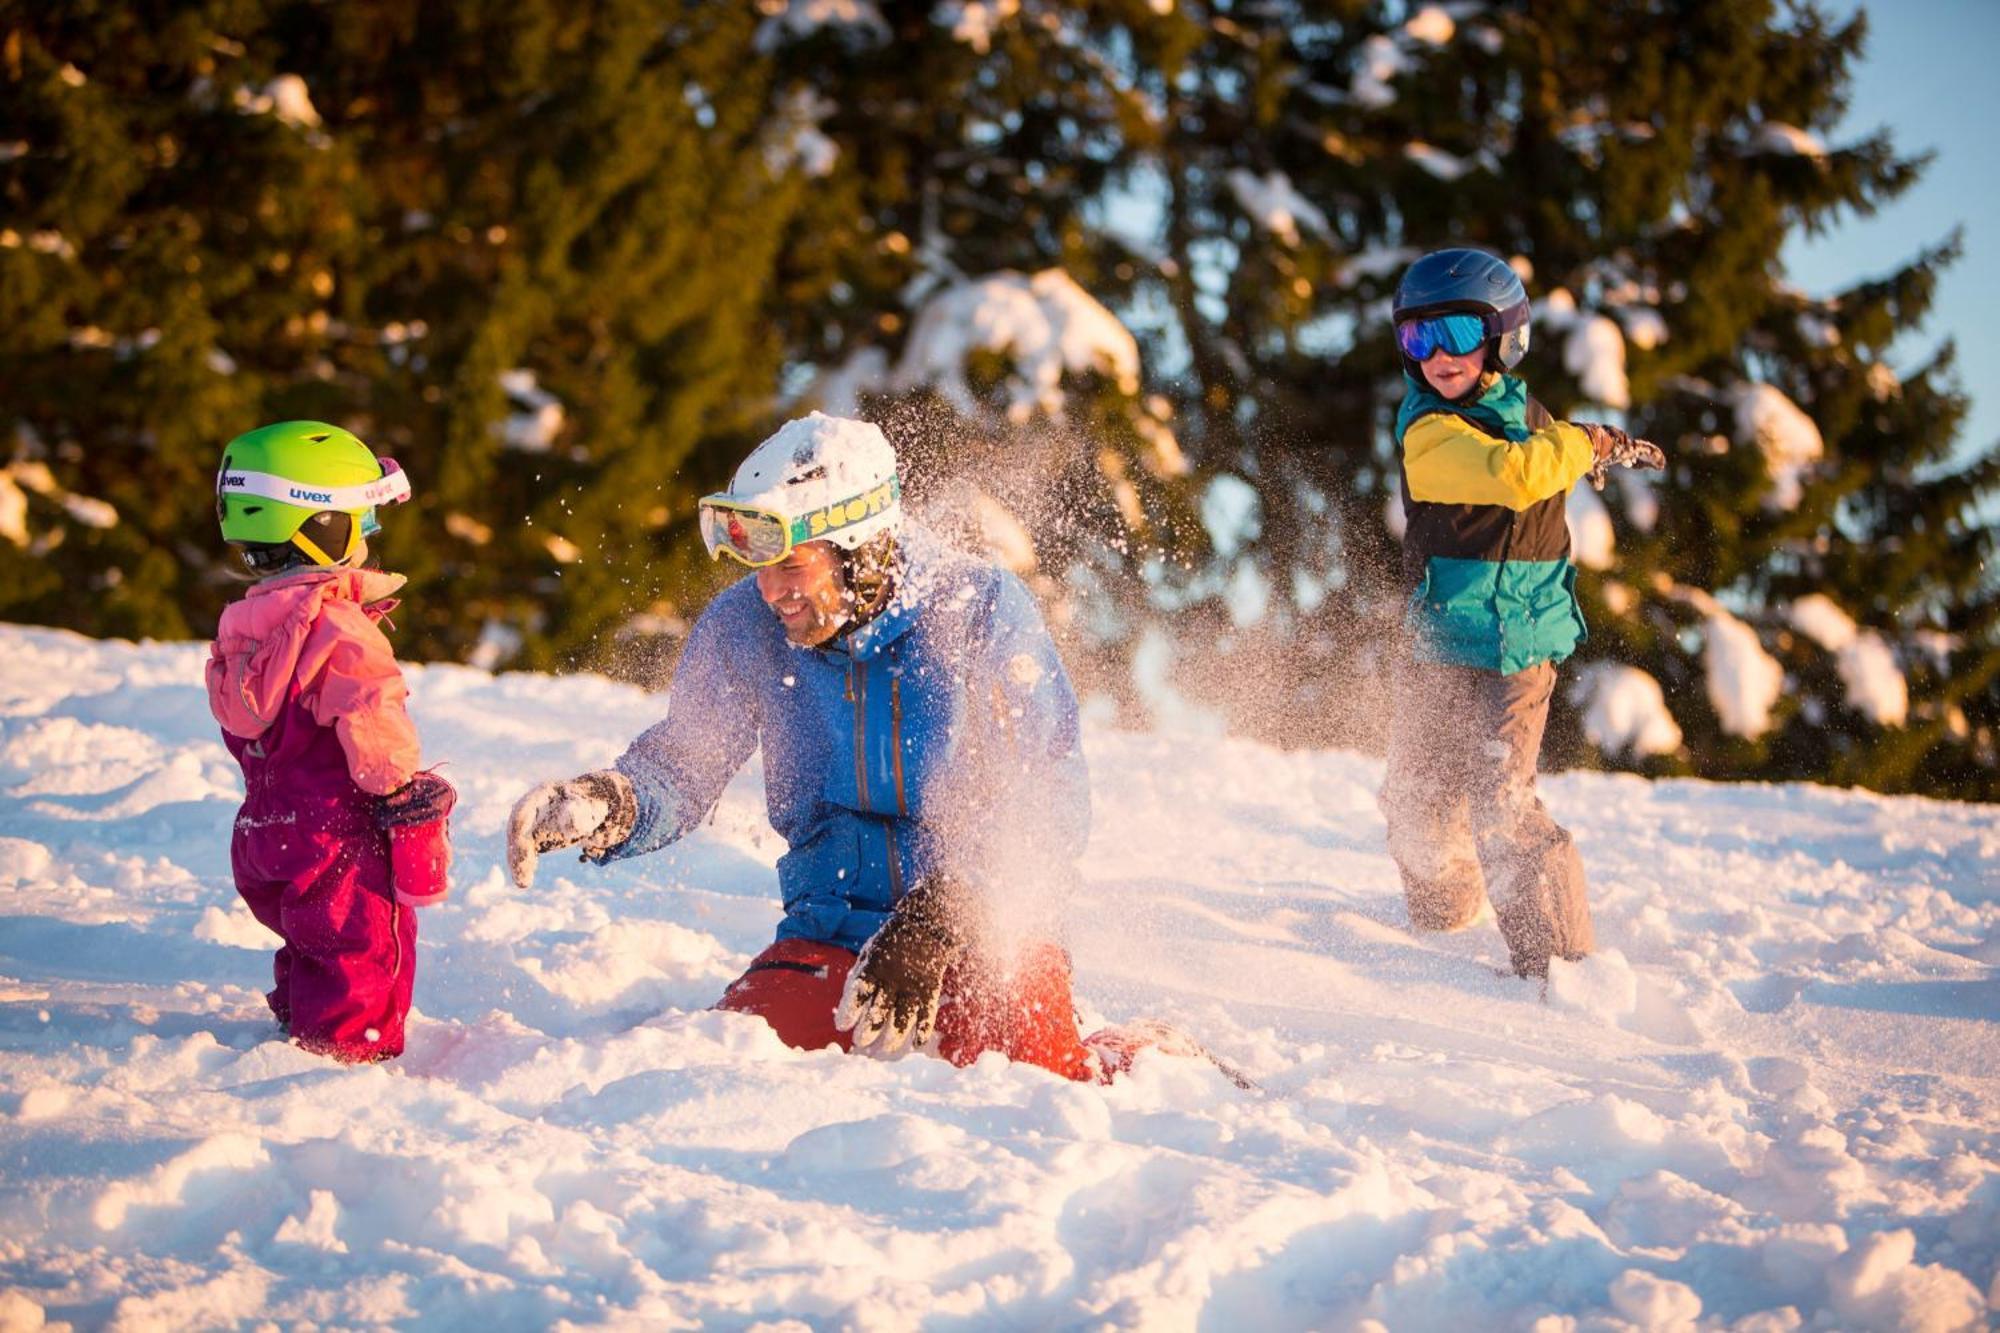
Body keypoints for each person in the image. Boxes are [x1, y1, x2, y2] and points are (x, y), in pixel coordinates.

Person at [506, 413, 1174, 1082]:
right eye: (758, 567)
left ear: (860, 547)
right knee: (735, 1063)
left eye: (791, 565)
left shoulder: (979, 610)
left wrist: (946, 911)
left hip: (981, 935)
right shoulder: (746, 626)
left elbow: (1049, 792)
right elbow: (684, 760)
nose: (770, 591)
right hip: (833, 932)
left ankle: (1140, 1053)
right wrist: (614, 802)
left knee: (1042, 1080)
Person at [1384, 248, 1665, 978]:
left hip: (1519, 647)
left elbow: (1545, 453)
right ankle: (1445, 923)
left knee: (1501, 803)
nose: (1439, 356)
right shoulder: (1427, 432)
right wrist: (1579, 442)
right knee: (1416, 797)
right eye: (1420, 338)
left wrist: (1601, 444)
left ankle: (1561, 969)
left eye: (1456, 333)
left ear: (1503, 334)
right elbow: (1515, 476)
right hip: (1442, 640)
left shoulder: (1529, 415)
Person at [207, 421, 456, 1061]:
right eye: (361, 522)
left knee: (309, 933)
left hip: (267, 833)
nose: (368, 540)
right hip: (335, 834)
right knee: (364, 945)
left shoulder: (246, 627)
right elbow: (373, 716)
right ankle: (346, 1054)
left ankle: (298, 1022)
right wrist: (404, 793)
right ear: (319, 527)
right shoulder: (336, 627)